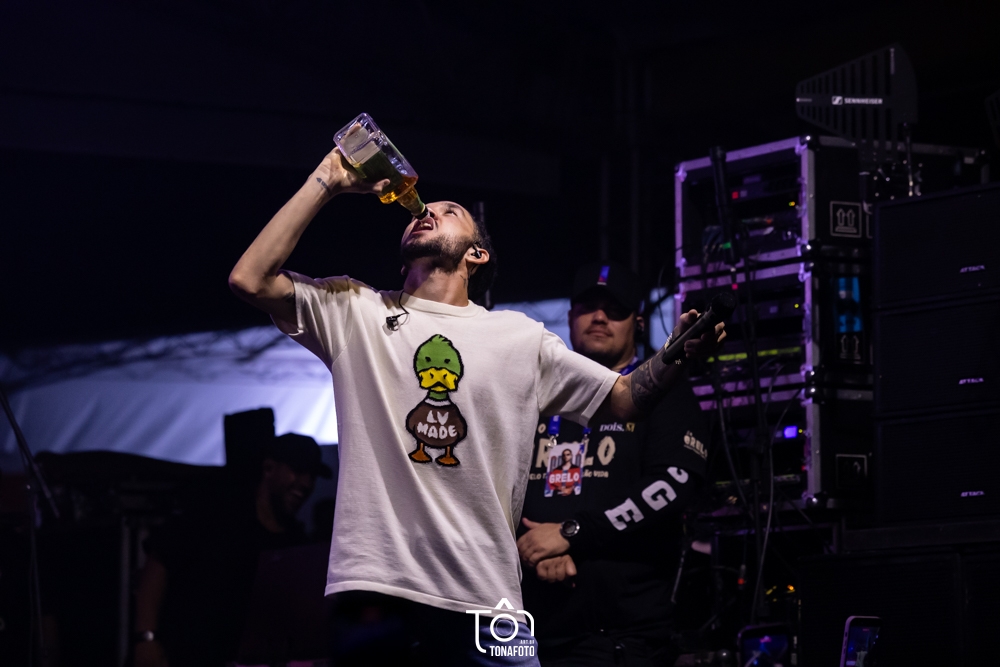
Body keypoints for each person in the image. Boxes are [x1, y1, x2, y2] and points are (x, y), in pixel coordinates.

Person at [227, 146, 726, 665]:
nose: (427, 211)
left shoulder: (519, 337)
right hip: (380, 589)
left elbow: (623, 400)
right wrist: (327, 179)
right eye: (426, 210)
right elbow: (250, 279)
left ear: (476, 255)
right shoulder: (356, 310)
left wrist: (676, 354)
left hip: (489, 597)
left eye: (450, 212)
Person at [517, 261, 711, 666]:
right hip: (526, 629)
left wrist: (572, 533)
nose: (600, 317)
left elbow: (673, 485)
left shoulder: (664, 393)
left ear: (638, 323)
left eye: (615, 309)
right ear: (570, 317)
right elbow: (493, 481)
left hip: (621, 637)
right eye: (588, 307)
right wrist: (530, 545)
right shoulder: (533, 395)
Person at [133, 433, 330, 667]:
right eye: (298, 471)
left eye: (312, 476)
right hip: (182, 655)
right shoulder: (217, 514)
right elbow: (159, 562)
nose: (306, 484)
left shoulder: (294, 541)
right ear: (269, 468)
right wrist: (146, 638)